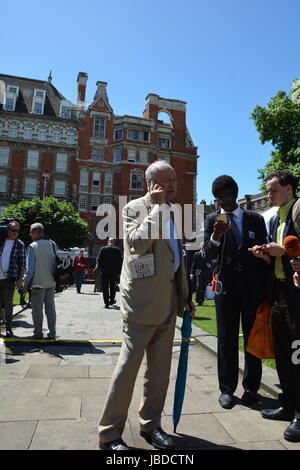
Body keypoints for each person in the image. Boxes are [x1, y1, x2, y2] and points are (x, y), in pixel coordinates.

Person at [98, 161, 195, 451]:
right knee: (127, 371)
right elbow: (138, 245)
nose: (172, 185)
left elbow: (178, 258)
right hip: (141, 304)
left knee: (160, 372)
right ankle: (109, 433)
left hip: (169, 302)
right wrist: (156, 207)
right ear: (149, 183)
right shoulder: (134, 208)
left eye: (174, 179)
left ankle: (151, 425)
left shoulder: (177, 211)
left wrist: (185, 296)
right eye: (165, 181)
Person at [203, 175, 269, 410]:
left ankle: (251, 388)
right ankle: (227, 389)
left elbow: (266, 256)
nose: (223, 203)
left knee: (252, 339)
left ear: (235, 194)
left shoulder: (255, 219)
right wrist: (215, 237)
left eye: (227, 197)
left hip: (252, 288)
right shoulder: (213, 219)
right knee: (225, 340)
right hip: (225, 288)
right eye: (218, 199)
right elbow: (207, 255)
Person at [249, 170, 300, 443]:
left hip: (297, 294)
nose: (269, 195)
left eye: (273, 190)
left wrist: (289, 251)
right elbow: (281, 255)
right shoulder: (274, 221)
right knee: (282, 351)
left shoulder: (298, 212)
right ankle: (287, 404)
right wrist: (267, 254)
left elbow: (294, 249)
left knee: (297, 352)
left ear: (289, 189)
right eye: (267, 190)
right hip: (279, 292)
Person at [23, 223, 57, 340]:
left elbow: (30, 269)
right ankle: (52, 333)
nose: (29, 234)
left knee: (37, 310)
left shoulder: (33, 246)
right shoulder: (52, 244)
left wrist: (25, 283)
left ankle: (38, 333)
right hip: (51, 282)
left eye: (31, 231)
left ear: (36, 232)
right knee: (50, 309)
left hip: (37, 283)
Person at [0, 221, 26, 337]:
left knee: (8, 304)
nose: (15, 233)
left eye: (17, 231)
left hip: (9, 278)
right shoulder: (1, 241)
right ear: (8, 230)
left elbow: (22, 264)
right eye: (13, 230)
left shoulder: (20, 244)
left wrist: (20, 280)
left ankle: (9, 328)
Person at [97, 238, 122, 308]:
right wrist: (119, 272)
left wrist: (100, 269)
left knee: (105, 287)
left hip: (104, 272)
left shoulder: (103, 249)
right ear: (113, 242)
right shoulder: (117, 250)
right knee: (112, 286)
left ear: (108, 242)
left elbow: (99, 260)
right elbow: (120, 262)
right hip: (114, 272)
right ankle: (111, 300)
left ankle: (106, 303)